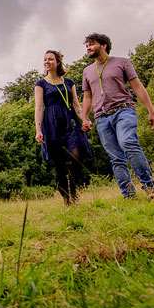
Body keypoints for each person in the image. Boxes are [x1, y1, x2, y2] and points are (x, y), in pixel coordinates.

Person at [79, 33, 154, 200]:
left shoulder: (122, 62)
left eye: (91, 44)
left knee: (128, 143)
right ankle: (129, 196)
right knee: (116, 158)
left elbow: (137, 87)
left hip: (123, 111)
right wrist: (84, 118)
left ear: (103, 45)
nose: (88, 47)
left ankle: (151, 188)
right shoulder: (87, 71)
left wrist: (151, 111)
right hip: (101, 117)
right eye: (86, 45)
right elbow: (87, 97)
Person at [34, 50, 92, 205]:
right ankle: (66, 198)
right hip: (51, 125)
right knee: (59, 164)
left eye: (50, 59)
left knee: (75, 156)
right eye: (45, 59)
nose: (47, 62)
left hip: (70, 123)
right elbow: (39, 108)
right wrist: (38, 130)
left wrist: (85, 119)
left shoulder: (69, 82)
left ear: (57, 62)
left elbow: (76, 105)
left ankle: (73, 192)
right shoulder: (40, 84)